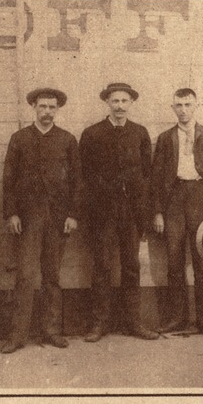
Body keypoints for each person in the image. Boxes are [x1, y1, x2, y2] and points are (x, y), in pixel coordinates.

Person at [0, 88, 82, 354]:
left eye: (52, 107)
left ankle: (51, 331)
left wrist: (72, 214)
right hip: (28, 218)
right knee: (25, 275)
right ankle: (18, 335)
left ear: (57, 109)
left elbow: (76, 182)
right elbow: (9, 180)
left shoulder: (67, 140)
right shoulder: (20, 139)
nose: (47, 112)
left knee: (52, 275)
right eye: (42, 106)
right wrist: (11, 213)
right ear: (33, 107)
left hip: (57, 218)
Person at [78, 82, 159, 343]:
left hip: (132, 213)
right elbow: (85, 177)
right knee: (102, 266)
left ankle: (133, 322)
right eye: (115, 101)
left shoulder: (140, 133)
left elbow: (147, 176)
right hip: (103, 213)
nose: (120, 106)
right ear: (107, 103)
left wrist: (144, 215)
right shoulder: (92, 134)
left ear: (131, 104)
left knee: (132, 266)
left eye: (125, 101)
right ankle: (98, 324)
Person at [151, 87, 203, 336]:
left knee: (202, 262)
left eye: (188, 105)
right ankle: (178, 318)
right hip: (174, 201)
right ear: (173, 108)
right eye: (179, 106)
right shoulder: (165, 138)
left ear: (197, 106)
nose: (183, 110)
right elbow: (156, 178)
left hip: (201, 199)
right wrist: (158, 212)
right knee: (174, 262)